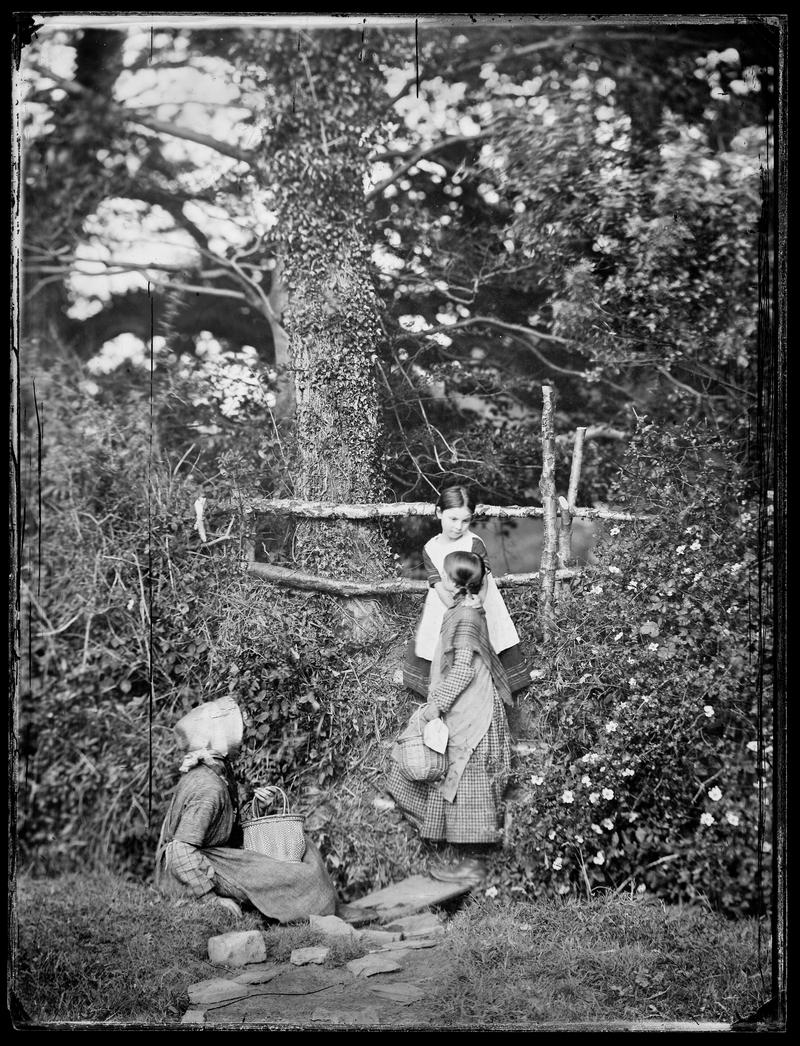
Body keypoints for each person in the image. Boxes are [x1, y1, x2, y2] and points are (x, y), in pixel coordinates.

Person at [155, 694, 337, 923]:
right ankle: (313, 907)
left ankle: (319, 902)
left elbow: (225, 828)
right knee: (291, 875)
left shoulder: (218, 772)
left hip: (215, 854)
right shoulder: (207, 787)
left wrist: (256, 806)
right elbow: (181, 850)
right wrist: (210, 897)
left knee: (303, 845)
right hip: (195, 867)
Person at [388, 551, 513, 881]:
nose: (440, 581)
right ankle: (462, 857)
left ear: (457, 584)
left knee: (470, 782)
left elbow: (462, 672)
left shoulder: (468, 617)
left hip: (475, 710)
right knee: (453, 778)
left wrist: (434, 707)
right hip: (465, 707)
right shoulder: (463, 610)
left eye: (445, 576)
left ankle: (475, 864)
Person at [402, 484, 532, 697]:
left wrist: (476, 603)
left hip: (477, 597)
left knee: (490, 636)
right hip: (445, 601)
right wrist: (455, 609)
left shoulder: (473, 542)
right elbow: (437, 584)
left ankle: (495, 684)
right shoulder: (430, 547)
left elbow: (484, 579)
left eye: (465, 520)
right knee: (437, 637)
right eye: (453, 519)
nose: (458, 526)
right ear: (439, 513)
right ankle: (438, 689)